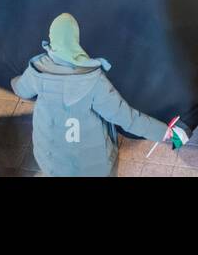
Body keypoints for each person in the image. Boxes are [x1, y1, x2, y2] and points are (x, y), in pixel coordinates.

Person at [12, 13, 188, 176]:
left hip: (51, 160)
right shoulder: (93, 82)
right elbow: (127, 118)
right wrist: (164, 132)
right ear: (75, 38)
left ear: (52, 37)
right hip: (92, 166)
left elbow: (20, 88)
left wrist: (15, 80)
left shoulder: (37, 71)